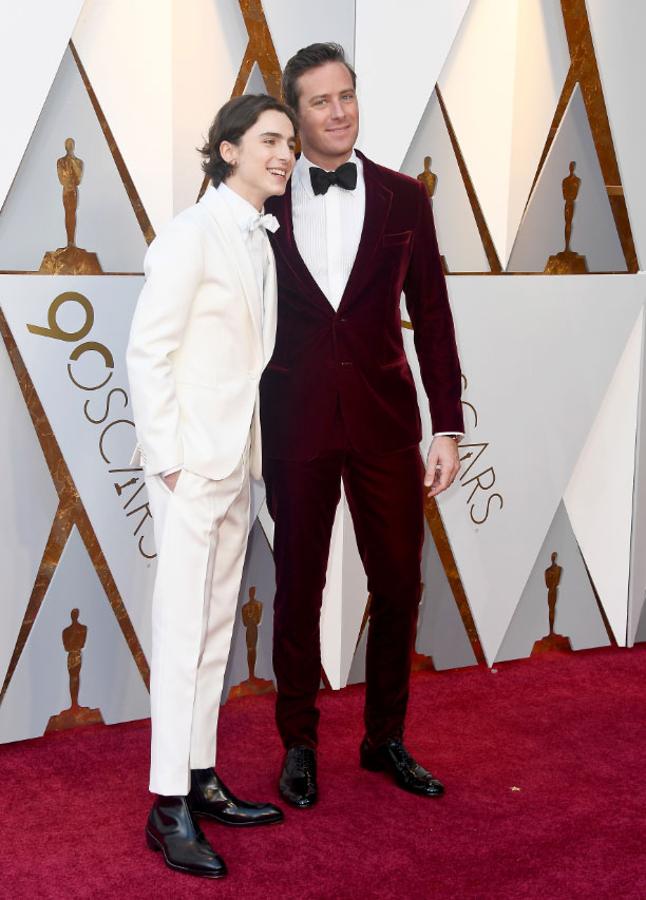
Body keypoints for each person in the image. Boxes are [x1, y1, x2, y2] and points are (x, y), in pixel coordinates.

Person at [260, 44, 464, 809]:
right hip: (295, 420)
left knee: (401, 582)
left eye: (346, 95)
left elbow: (433, 315)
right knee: (297, 586)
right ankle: (299, 742)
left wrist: (447, 426)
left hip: (385, 422)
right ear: (295, 116)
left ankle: (384, 738)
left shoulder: (405, 199)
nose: (339, 111)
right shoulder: (260, 201)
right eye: (321, 101)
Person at [126, 94, 297, 878]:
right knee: (180, 632)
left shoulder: (259, 237)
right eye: (270, 140)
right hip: (193, 466)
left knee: (215, 631)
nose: (285, 154)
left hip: (238, 464)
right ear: (228, 150)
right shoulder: (191, 234)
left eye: (289, 143)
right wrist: (171, 461)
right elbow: (148, 351)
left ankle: (199, 777)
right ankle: (167, 806)